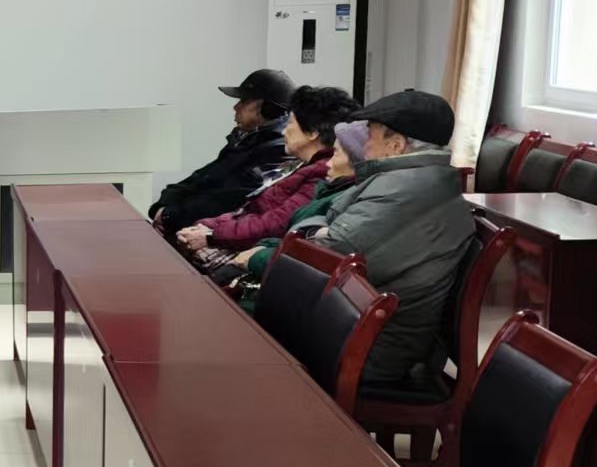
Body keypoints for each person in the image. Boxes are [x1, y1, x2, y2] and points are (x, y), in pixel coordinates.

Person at [302, 89, 475, 389]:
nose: (364, 146)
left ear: (396, 145)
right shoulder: (422, 181)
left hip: (368, 347)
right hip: (360, 327)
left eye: (370, 136)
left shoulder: (406, 192)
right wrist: (321, 227)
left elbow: (321, 257)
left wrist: (315, 229)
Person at [175, 84, 356, 265]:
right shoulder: (301, 164)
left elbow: (276, 223)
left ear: (313, 133)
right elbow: (251, 209)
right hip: (237, 237)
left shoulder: (322, 173)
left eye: (290, 124)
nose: (284, 131)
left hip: (251, 249)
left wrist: (212, 235)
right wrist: (209, 225)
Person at [222, 120, 369, 293]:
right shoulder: (329, 189)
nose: (328, 163)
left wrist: (257, 255)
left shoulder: (338, 194)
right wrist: (265, 245)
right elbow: (291, 235)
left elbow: (307, 254)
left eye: (336, 154)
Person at [150, 69, 294, 231]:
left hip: (214, 231)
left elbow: (228, 199)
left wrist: (170, 215)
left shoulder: (278, 151)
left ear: (268, 108)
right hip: (190, 224)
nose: (236, 107)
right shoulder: (245, 139)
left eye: (244, 101)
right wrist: (164, 204)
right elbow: (202, 178)